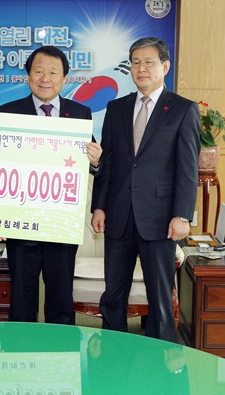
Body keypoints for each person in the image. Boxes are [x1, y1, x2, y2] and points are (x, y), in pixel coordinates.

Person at [91, 37, 200, 341]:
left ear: (165, 66)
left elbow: (187, 168)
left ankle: (161, 356)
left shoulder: (183, 109)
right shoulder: (116, 108)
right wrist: (99, 206)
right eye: (136, 62)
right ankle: (112, 354)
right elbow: (109, 162)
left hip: (161, 219)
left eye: (149, 62)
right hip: (119, 216)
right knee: (113, 296)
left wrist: (182, 215)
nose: (141, 68)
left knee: (160, 299)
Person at [0, 46, 102, 324]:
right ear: (28, 76)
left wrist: (95, 162)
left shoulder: (79, 113)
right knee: (22, 299)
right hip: (21, 223)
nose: (45, 78)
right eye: (39, 71)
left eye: (53, 72)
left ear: (64, 78)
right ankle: (20, 350)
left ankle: (61, 350)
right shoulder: (8, 112)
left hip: (61, 223)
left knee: (61, 298)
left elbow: (91, 165)